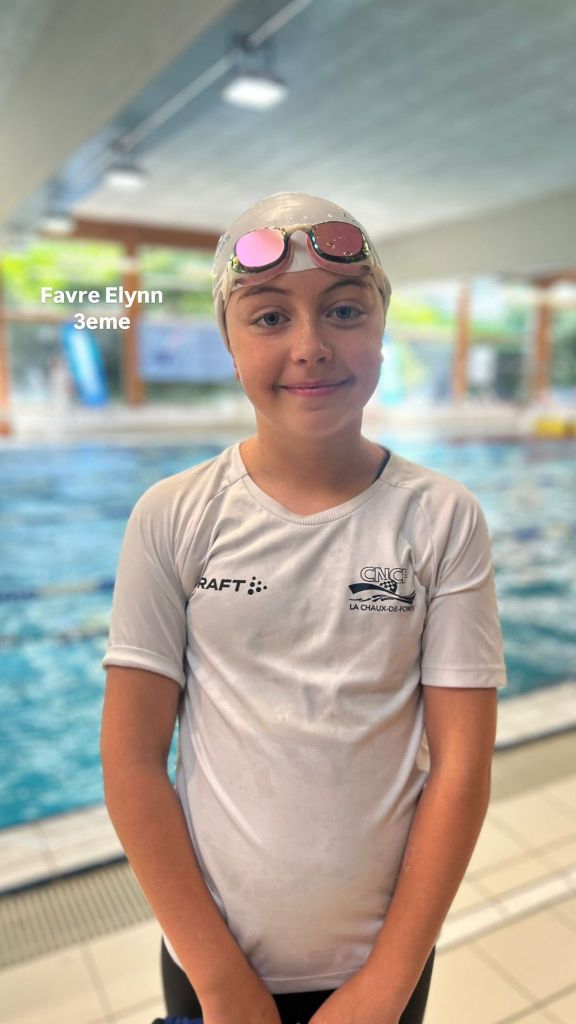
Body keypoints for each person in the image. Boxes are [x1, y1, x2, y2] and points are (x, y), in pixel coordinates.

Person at [100, 192, 507, 1024]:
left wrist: (387, 982)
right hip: (211, 961)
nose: (311, 345)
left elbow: (461, 766)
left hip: (382, 964)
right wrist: (219, 981)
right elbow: (133, 759)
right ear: (228, 340)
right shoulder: (173, 515)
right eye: (269, 316)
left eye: (345, 309)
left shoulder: (441, 519)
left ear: (381, 327)